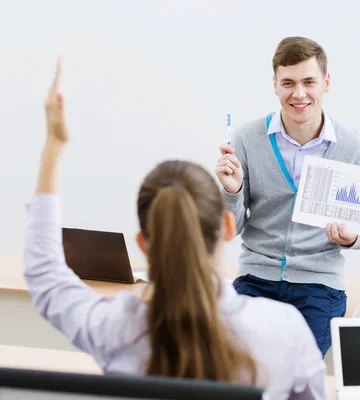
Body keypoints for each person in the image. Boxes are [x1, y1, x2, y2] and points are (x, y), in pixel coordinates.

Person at [24, 58, 328, 400]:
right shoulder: (282, 329)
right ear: (228, 227)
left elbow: (46, 275)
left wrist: (53, 146)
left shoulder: (117, 329)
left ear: (143, 243)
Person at [215, 36, 360, 356]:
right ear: (275, 85)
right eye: (288, 83)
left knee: (298, 371)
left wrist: (351, 236)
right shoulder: (247, 139)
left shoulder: (353, 149)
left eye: (309, 82)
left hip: (318, 285)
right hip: (255, 279)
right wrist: (232, 191)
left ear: (326, 82)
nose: (299, 94)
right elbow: (231, 227)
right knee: (234, 364)